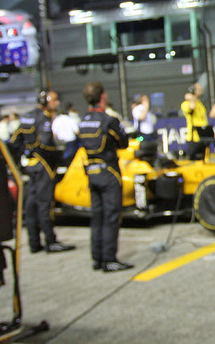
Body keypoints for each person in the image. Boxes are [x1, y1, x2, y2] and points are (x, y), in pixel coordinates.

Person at [10, 89, 76, 254]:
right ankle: (51, 241)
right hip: (44, 166)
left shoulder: (27, 116)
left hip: (31, 166)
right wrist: (57, 156)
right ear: (44, 100)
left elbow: (14, 140)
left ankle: (34, 243)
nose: (57, 103)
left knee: (31, 206)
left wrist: (23, 158)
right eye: (54, 100)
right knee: (45, 205)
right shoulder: (43, 118)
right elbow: (46, 143)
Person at [77, 82, 133, 272]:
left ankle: (98, 258)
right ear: (103, 96)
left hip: (91, 172)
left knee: (97, 216)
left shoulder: (83, 121)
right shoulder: (109, 120)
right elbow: (123, 143)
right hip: (109, 173)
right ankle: (110, 259)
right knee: (110, 217)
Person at [181, 82, 209, 160]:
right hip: (194, 137)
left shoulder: (199, 103)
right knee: (194, 160)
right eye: (199, 89)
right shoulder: (186, 104)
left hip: (202, 136)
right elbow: (191, 107)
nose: (201, 90)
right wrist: (192, 97)